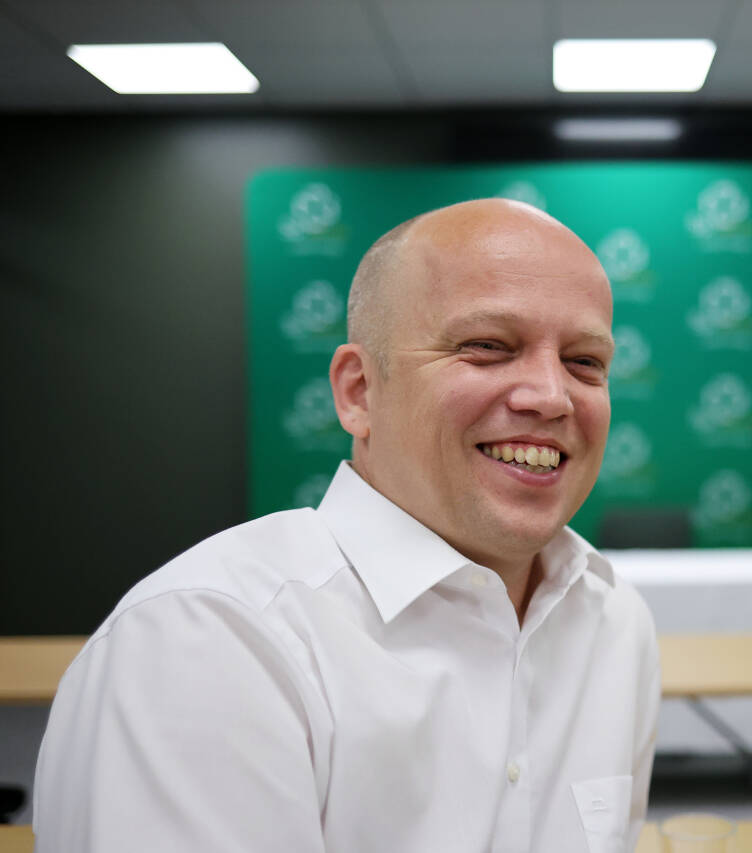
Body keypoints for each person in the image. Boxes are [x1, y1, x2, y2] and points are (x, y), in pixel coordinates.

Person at [34, 199, 661, 853]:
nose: (551, 395)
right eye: (488, 347)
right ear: (359, 391)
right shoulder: (211, 640)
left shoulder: (613, 620)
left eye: (585, 361)